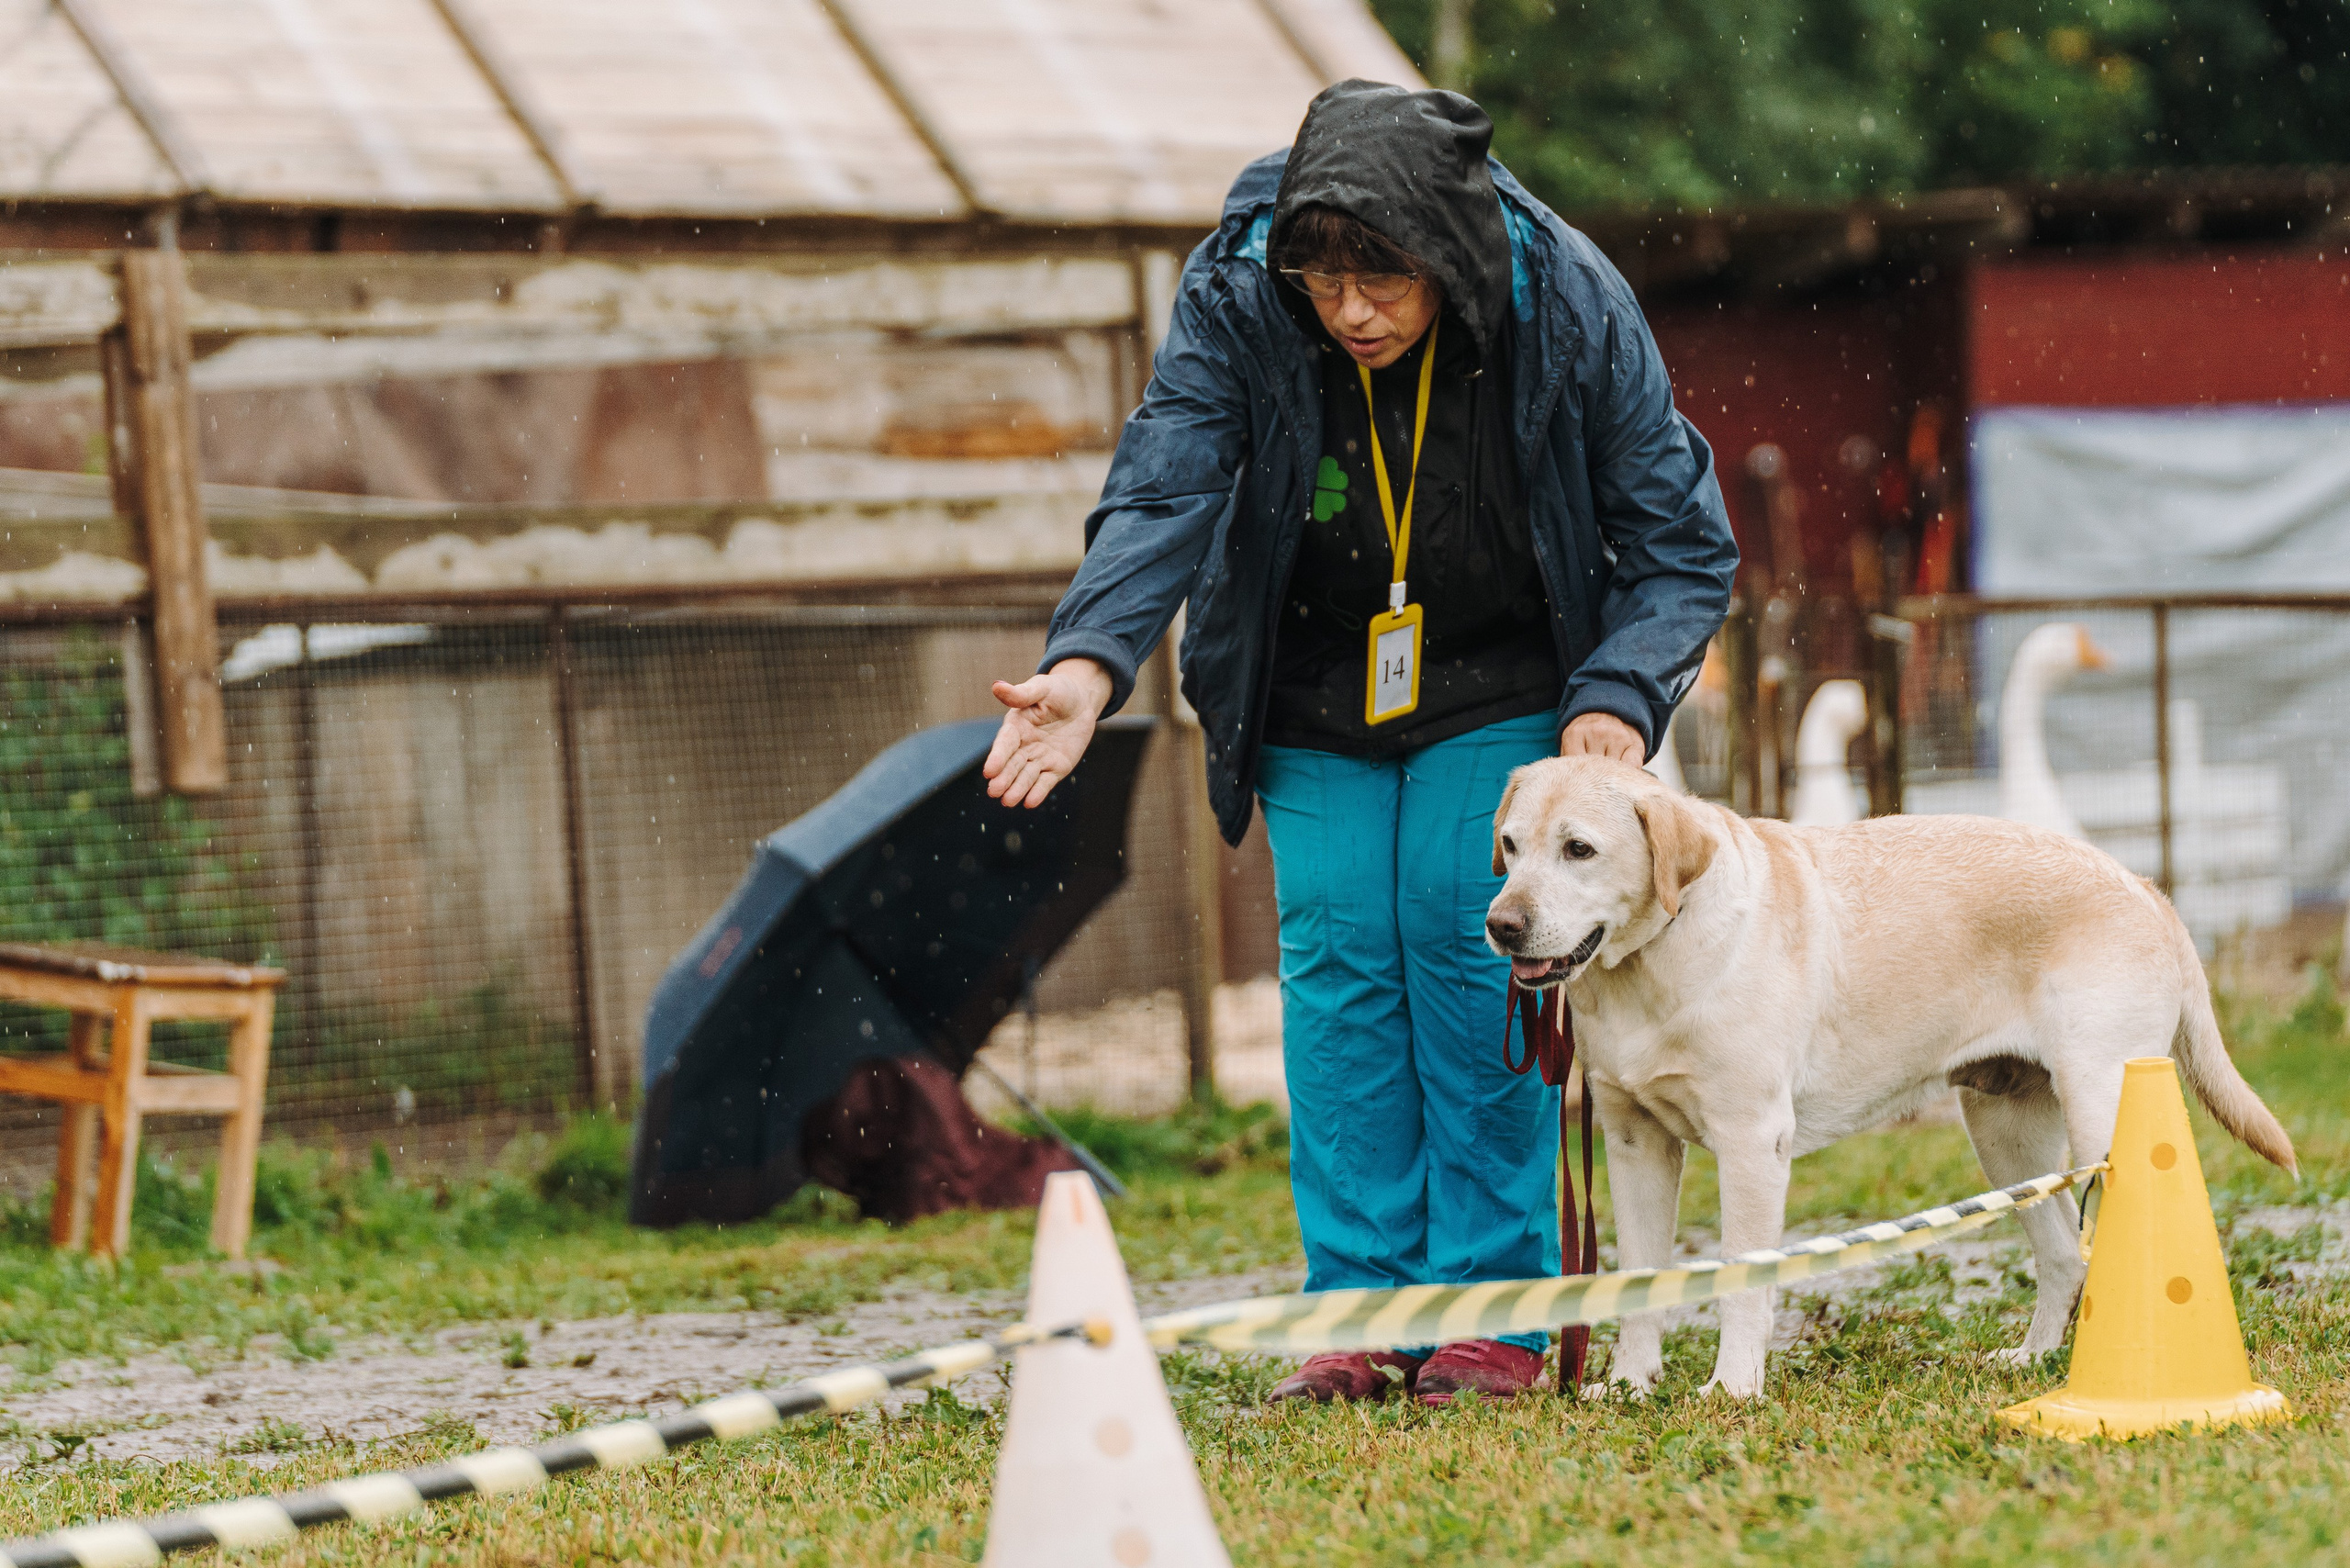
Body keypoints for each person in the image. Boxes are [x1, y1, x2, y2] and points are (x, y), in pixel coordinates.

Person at [982, 81, 1737, 1406]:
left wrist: (1616, 700)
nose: (1352, 312)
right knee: (1336, 967)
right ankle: (1359, 1313)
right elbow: (1169, 474)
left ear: (1449, 247)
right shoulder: (1240, 290)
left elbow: (1680, 542)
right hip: (1317, 672)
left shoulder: (1563, 299)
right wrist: (1088, 664)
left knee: (1466, 948)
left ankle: (1496, 1310)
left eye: (1383, 278)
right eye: (1324, 280)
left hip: (1506, 671)